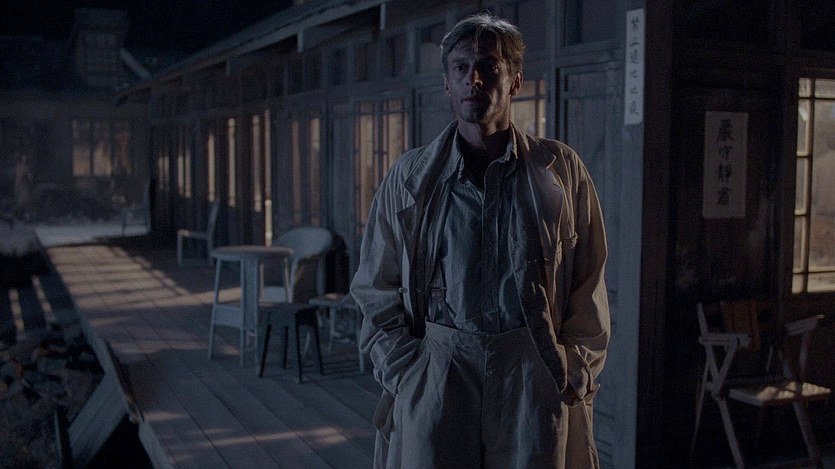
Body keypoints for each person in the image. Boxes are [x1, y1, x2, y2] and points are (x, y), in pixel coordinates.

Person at [351, 13, 610, 469]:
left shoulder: (560, 170)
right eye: (461, 68)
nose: (474, 79)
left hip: (532, 365)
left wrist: (573, 365)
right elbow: (376, 285)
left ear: (515, 82)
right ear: (446, 83)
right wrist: (405, 370)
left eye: (489, 66)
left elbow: (588, 281)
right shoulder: (411, 178)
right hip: (438, 367)